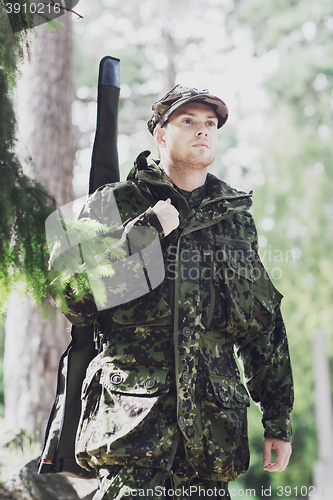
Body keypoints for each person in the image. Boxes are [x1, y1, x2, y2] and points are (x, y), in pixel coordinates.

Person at [49, 85, 294, 499]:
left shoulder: (233, 220)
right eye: (188, 122)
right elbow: (73, 297)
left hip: (212, 441)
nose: (203, 131)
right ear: (160, 135)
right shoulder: (112, 205)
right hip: (130, 434)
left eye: (210, 124)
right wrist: (146, 233)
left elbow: (261, 324)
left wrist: (278, 420)